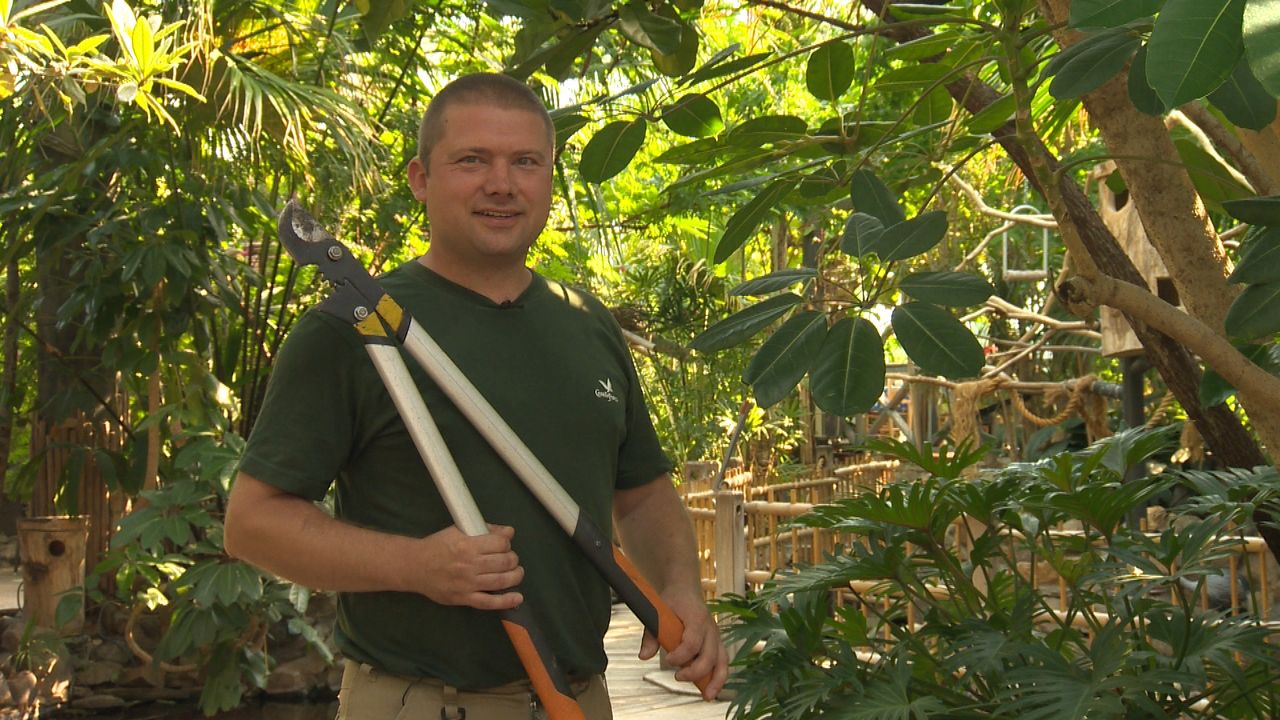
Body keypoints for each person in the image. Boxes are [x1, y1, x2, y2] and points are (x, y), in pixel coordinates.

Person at [223, 72, 728, 720]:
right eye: (472, 161)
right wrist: (420, 566)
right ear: (420, 178)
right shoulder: (350, 332)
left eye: (525, 162)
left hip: (580, 699)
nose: (501, 183)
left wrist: (682, 588)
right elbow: (252, 524)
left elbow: (643, 491)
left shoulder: (586, 322)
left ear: (549, 177)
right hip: (425, 703)